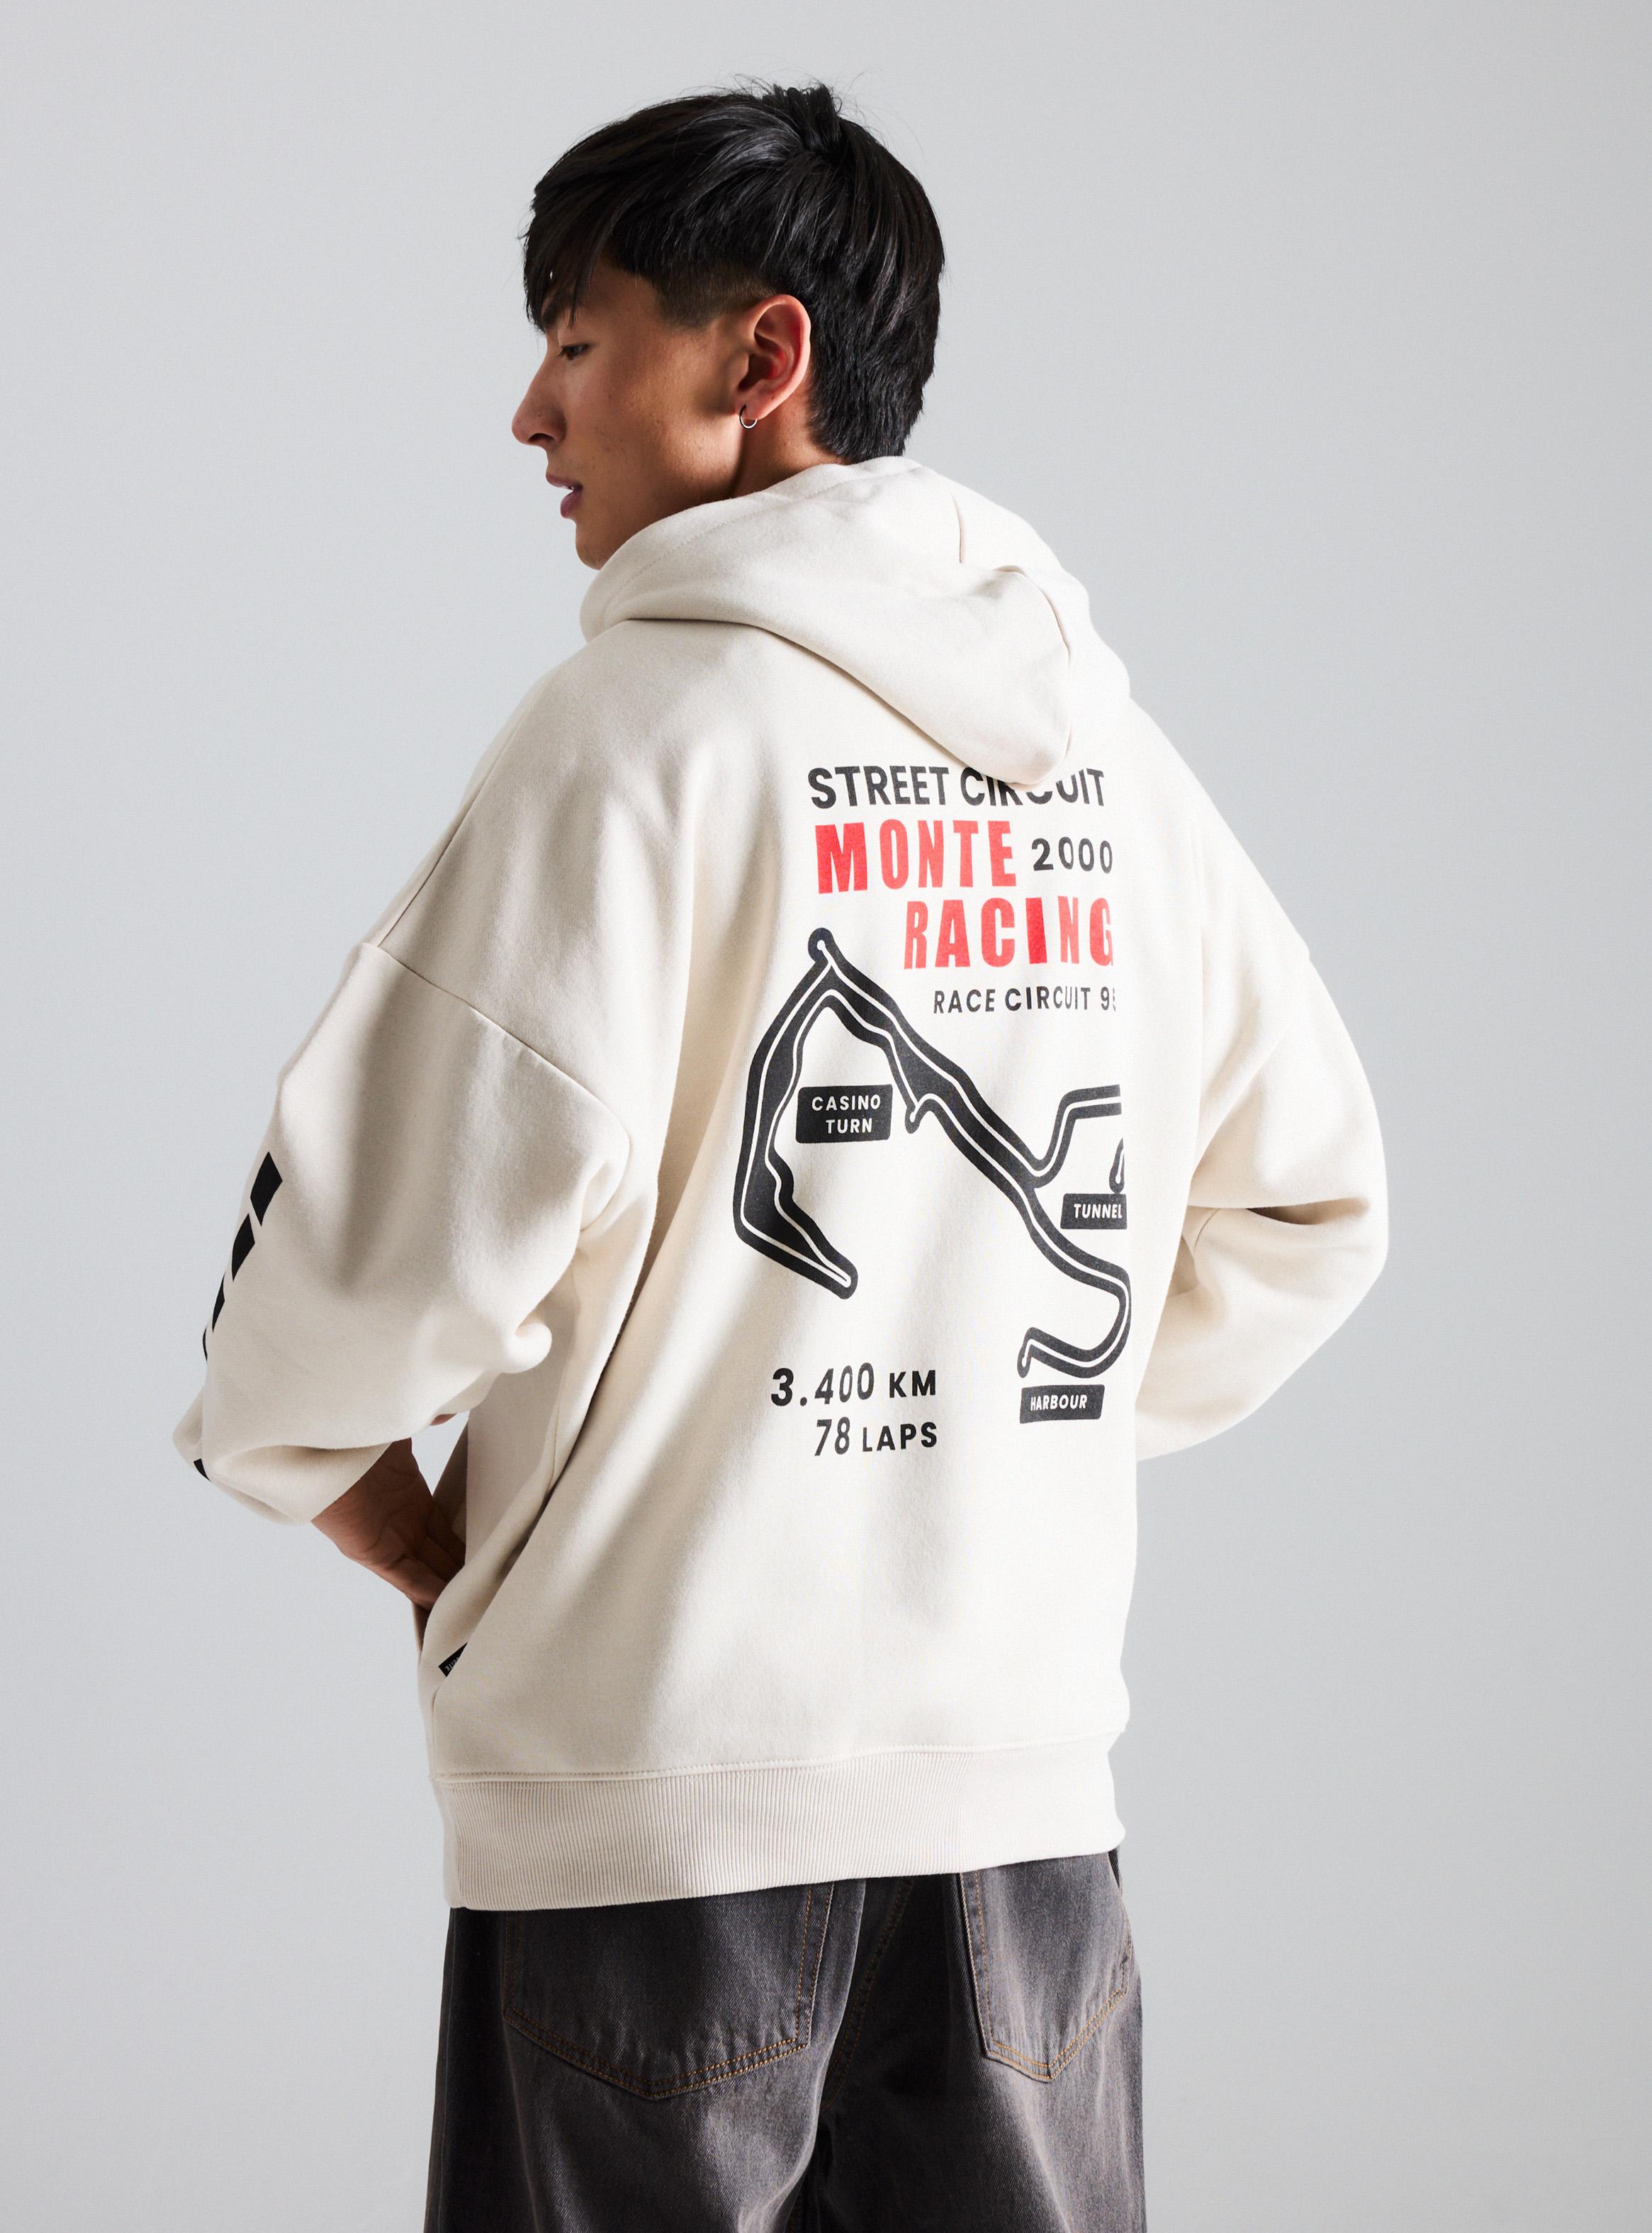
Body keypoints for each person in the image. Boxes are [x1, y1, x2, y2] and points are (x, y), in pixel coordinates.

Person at [174, 79, 1388, 2232]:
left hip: (654, 1833)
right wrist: (983, 1444)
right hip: (1022, 1828)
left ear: (761, 358)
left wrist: (407, 1526)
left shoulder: (631, 742)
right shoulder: (1101, 755)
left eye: (578, 339)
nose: (532, 415)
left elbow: (366, 1246)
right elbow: (1306, 1200)